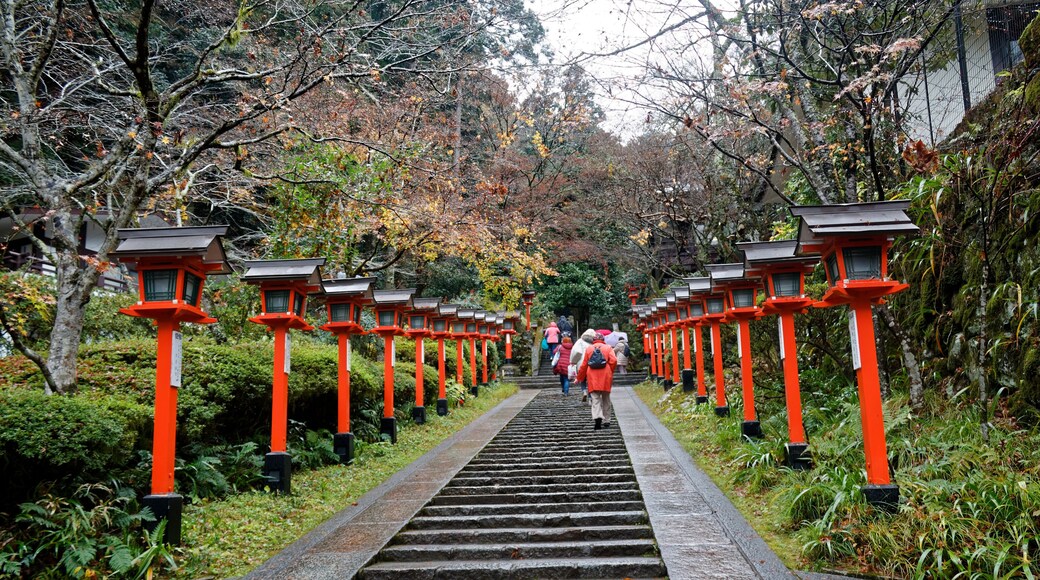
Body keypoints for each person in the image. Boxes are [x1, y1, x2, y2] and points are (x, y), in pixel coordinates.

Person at [577, 333, 618, 429]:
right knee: (606, 398)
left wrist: (579, 378)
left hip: (592, 375)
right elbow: (614, 360)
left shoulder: (589, 349)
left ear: (593, 340)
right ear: (603, 339)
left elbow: (584, 365)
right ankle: (607, 420)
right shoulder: (608, 348)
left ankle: (597, 417)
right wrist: (610, 370)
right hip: (605, 375)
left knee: (595, 398)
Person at [570, 329, 597, 402]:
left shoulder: (580, 341)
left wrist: (573, 361)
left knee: (582, 379)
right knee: (591, 380)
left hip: (581, 363)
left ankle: (584, 391)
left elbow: (576, 352)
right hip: (593, 363)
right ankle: (591, 396)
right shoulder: (595, 342)